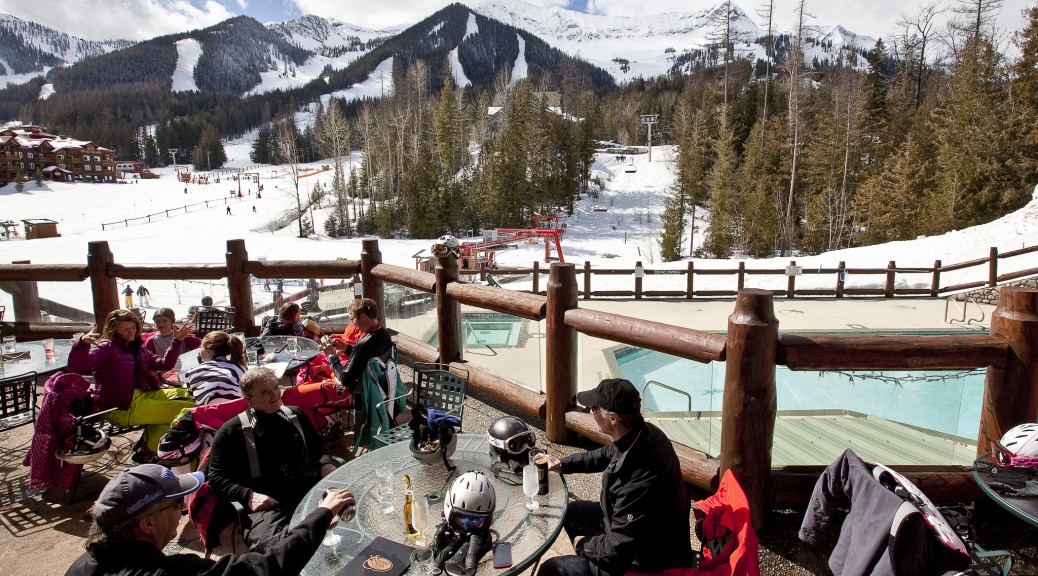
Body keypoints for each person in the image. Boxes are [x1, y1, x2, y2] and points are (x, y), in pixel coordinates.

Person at [65, 463, 355, 576]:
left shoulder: (83, 565)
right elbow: (265, 568)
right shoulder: (172, 573)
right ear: (146, 524)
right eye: (177, 503)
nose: (182, 512)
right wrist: (322, 513)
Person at [540, 378, 694, 576]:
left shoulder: (640, 481)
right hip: (636, 531)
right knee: (571, 512)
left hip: (648, 560)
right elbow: (605, 454)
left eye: (594, 409)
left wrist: (583, 544)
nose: (590, 412)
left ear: (613, 418)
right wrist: (562, 464)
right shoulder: (644, 434)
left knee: (551, 570)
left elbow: (619, 549)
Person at [207, 367, 340, 551]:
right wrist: (248, 495)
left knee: (348, 517)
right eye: (265, 392)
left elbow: (319, 445)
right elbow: (215, 477)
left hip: (307, 489)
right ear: (249, 398)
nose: (275, 395)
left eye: (276, 387)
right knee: (281, 551)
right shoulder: (232, 431)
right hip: (268, 505)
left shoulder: (294, 415)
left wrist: (325, 463)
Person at [67, 310, 196, 458]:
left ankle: (148, 448)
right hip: (122, 408)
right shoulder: (106, 348)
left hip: (142, 395)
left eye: (133, 327)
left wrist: (177, 341)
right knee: (189, 411)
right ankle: (154, 449)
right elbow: (77, 366)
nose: (131, 332)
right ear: (114, 330)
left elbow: (164, 364)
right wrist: (82, 344)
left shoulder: (138, 347)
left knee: (192, 395)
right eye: (126, 329)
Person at [321, 298, 392, 394]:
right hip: (376, 384)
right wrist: (347, 348)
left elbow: (344, 379)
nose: (352, 323)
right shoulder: (383, 333)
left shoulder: (364, 342)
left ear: (363, 316)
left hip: (358, 391)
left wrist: (331, 356)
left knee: (298, 393)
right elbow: (365, 356)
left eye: (352, 319)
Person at [183, 331, 247, 406]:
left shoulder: (190, 373)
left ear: (208, 351)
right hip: (237, 414)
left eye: (201, 348)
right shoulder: (241, 368)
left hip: (208, 416)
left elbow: (196, 400)